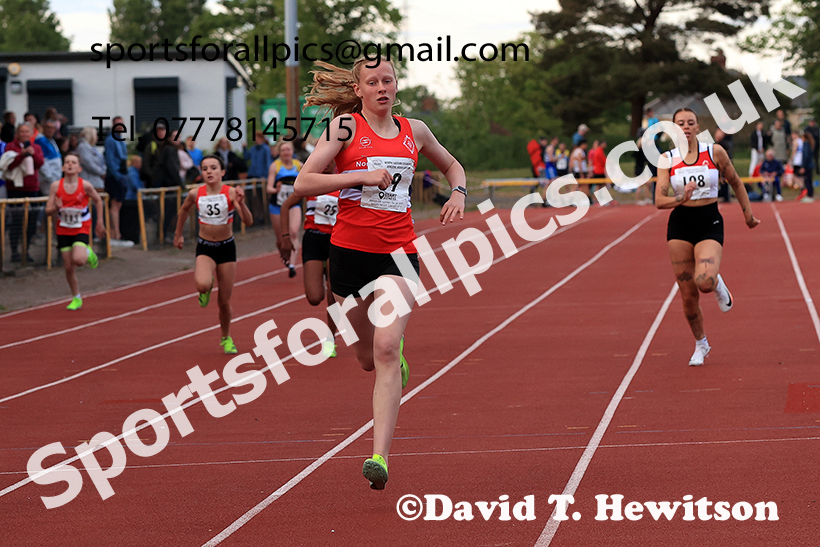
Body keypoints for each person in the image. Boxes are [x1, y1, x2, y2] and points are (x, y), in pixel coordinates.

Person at [295, 57, 466, 490]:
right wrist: (359, 177)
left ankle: (379, 457)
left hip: (399, 254)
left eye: (387, 80)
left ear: (396, 85)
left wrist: (459, 192)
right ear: (359, 90)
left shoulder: (415, 130)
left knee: (386, 347)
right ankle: (391, 357)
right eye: (372, 82)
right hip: (348, 256)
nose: (382, 88)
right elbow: (303, 182)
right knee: (367, 358)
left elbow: (452, 165)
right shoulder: (344, 128)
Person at [655, 108, 760, 367]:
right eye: (680, 123)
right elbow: (659, 200)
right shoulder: (667, 159)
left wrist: (748, 215)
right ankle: (701, 344)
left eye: (690, 122)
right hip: (680, 227)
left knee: (704, 282)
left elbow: (736, 182)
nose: (685, 127)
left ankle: (717, 283)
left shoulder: (714, 152)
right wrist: (682, 197)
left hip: (709, 222)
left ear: (697, 127)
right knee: (688, 296)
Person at [174, 155, 253, 354]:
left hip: (226, 248)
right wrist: (178, 234)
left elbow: (248, 221)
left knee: (224, 302)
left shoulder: (231, 192)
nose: (209, 171)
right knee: (202, 284)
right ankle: (206, 289)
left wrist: (242, 203)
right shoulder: (195, 193)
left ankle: (226, 337)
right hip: (206, 247)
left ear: (222, 172)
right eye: (205, 168)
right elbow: (184, 210)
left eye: (213, 168)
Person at [277, 172, 341, 357]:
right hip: (314, 240)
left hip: (337, 241)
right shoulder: (312, 182)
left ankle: (331, 339)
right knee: (314, 297)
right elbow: (286, 206)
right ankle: (323, 275)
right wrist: (285, 237)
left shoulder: (345, 181)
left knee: (333, 294)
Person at [44, 153, 106, 310]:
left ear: (79, 168)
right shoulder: (55, 186)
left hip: (81, 227)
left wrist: (100, 222)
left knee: (78, 260)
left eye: (73, 162)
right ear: (63, 167)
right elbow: (47, 210)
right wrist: (56, 207)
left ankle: (88, 252)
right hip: (63, 229)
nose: (70, 164)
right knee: (68, 268)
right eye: (67, 162)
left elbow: (98, 200)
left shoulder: (85, 185)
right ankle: (76, 297)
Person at [4, 123, 44, 262]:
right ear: (17, 133)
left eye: (27, 131)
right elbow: (8, 166)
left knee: (31, 222)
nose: (25, 134)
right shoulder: (10, 147)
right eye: (22, 131)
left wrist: (32, 154)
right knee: (16, 221)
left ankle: (25, 250)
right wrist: (21, 156)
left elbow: (40, 163)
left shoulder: (36, 147)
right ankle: (14, 251)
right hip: (15, 189)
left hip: (32, 188)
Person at [266, 140, 303, 278]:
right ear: (279, 152)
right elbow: (268, 188)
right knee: (281, 238)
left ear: (292, 151)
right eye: (283, 150)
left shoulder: (299, 166)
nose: (286, 153)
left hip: (294, 204)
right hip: (277, 205)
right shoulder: (275, 166)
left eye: (288, 150)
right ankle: (284, 253)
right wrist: (276, 189)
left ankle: (292, 264)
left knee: (293, 232)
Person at [104, 116, 132, 246]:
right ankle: (114, 233)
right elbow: (110, 160)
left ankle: (116, 233)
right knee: (114, 205)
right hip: (115, 177)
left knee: (118, 205)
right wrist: (117, 176)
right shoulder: (111, 140)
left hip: (121, 175)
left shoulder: (120, 140)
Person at [799, 128, 815, 203]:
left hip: (807, 166)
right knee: (809, 180)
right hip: (810, 165)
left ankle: (809, 195)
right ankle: (810, 195)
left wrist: (803, 166)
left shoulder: (806, 144)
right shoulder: (811, 144)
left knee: (807, 181)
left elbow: (805, 156)